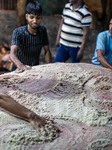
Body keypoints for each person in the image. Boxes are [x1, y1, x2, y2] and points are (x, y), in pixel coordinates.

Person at [10, 1, 52, 72]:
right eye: (32, 17)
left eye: (38, 18)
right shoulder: (18, 32)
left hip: (34, 69)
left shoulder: (42, 30)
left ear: (41, 17)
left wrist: (50, 66)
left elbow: (47, 51)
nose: (35, 21)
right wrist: (21, 66)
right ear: (26, 17)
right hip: (18, 70)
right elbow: (12, 54)